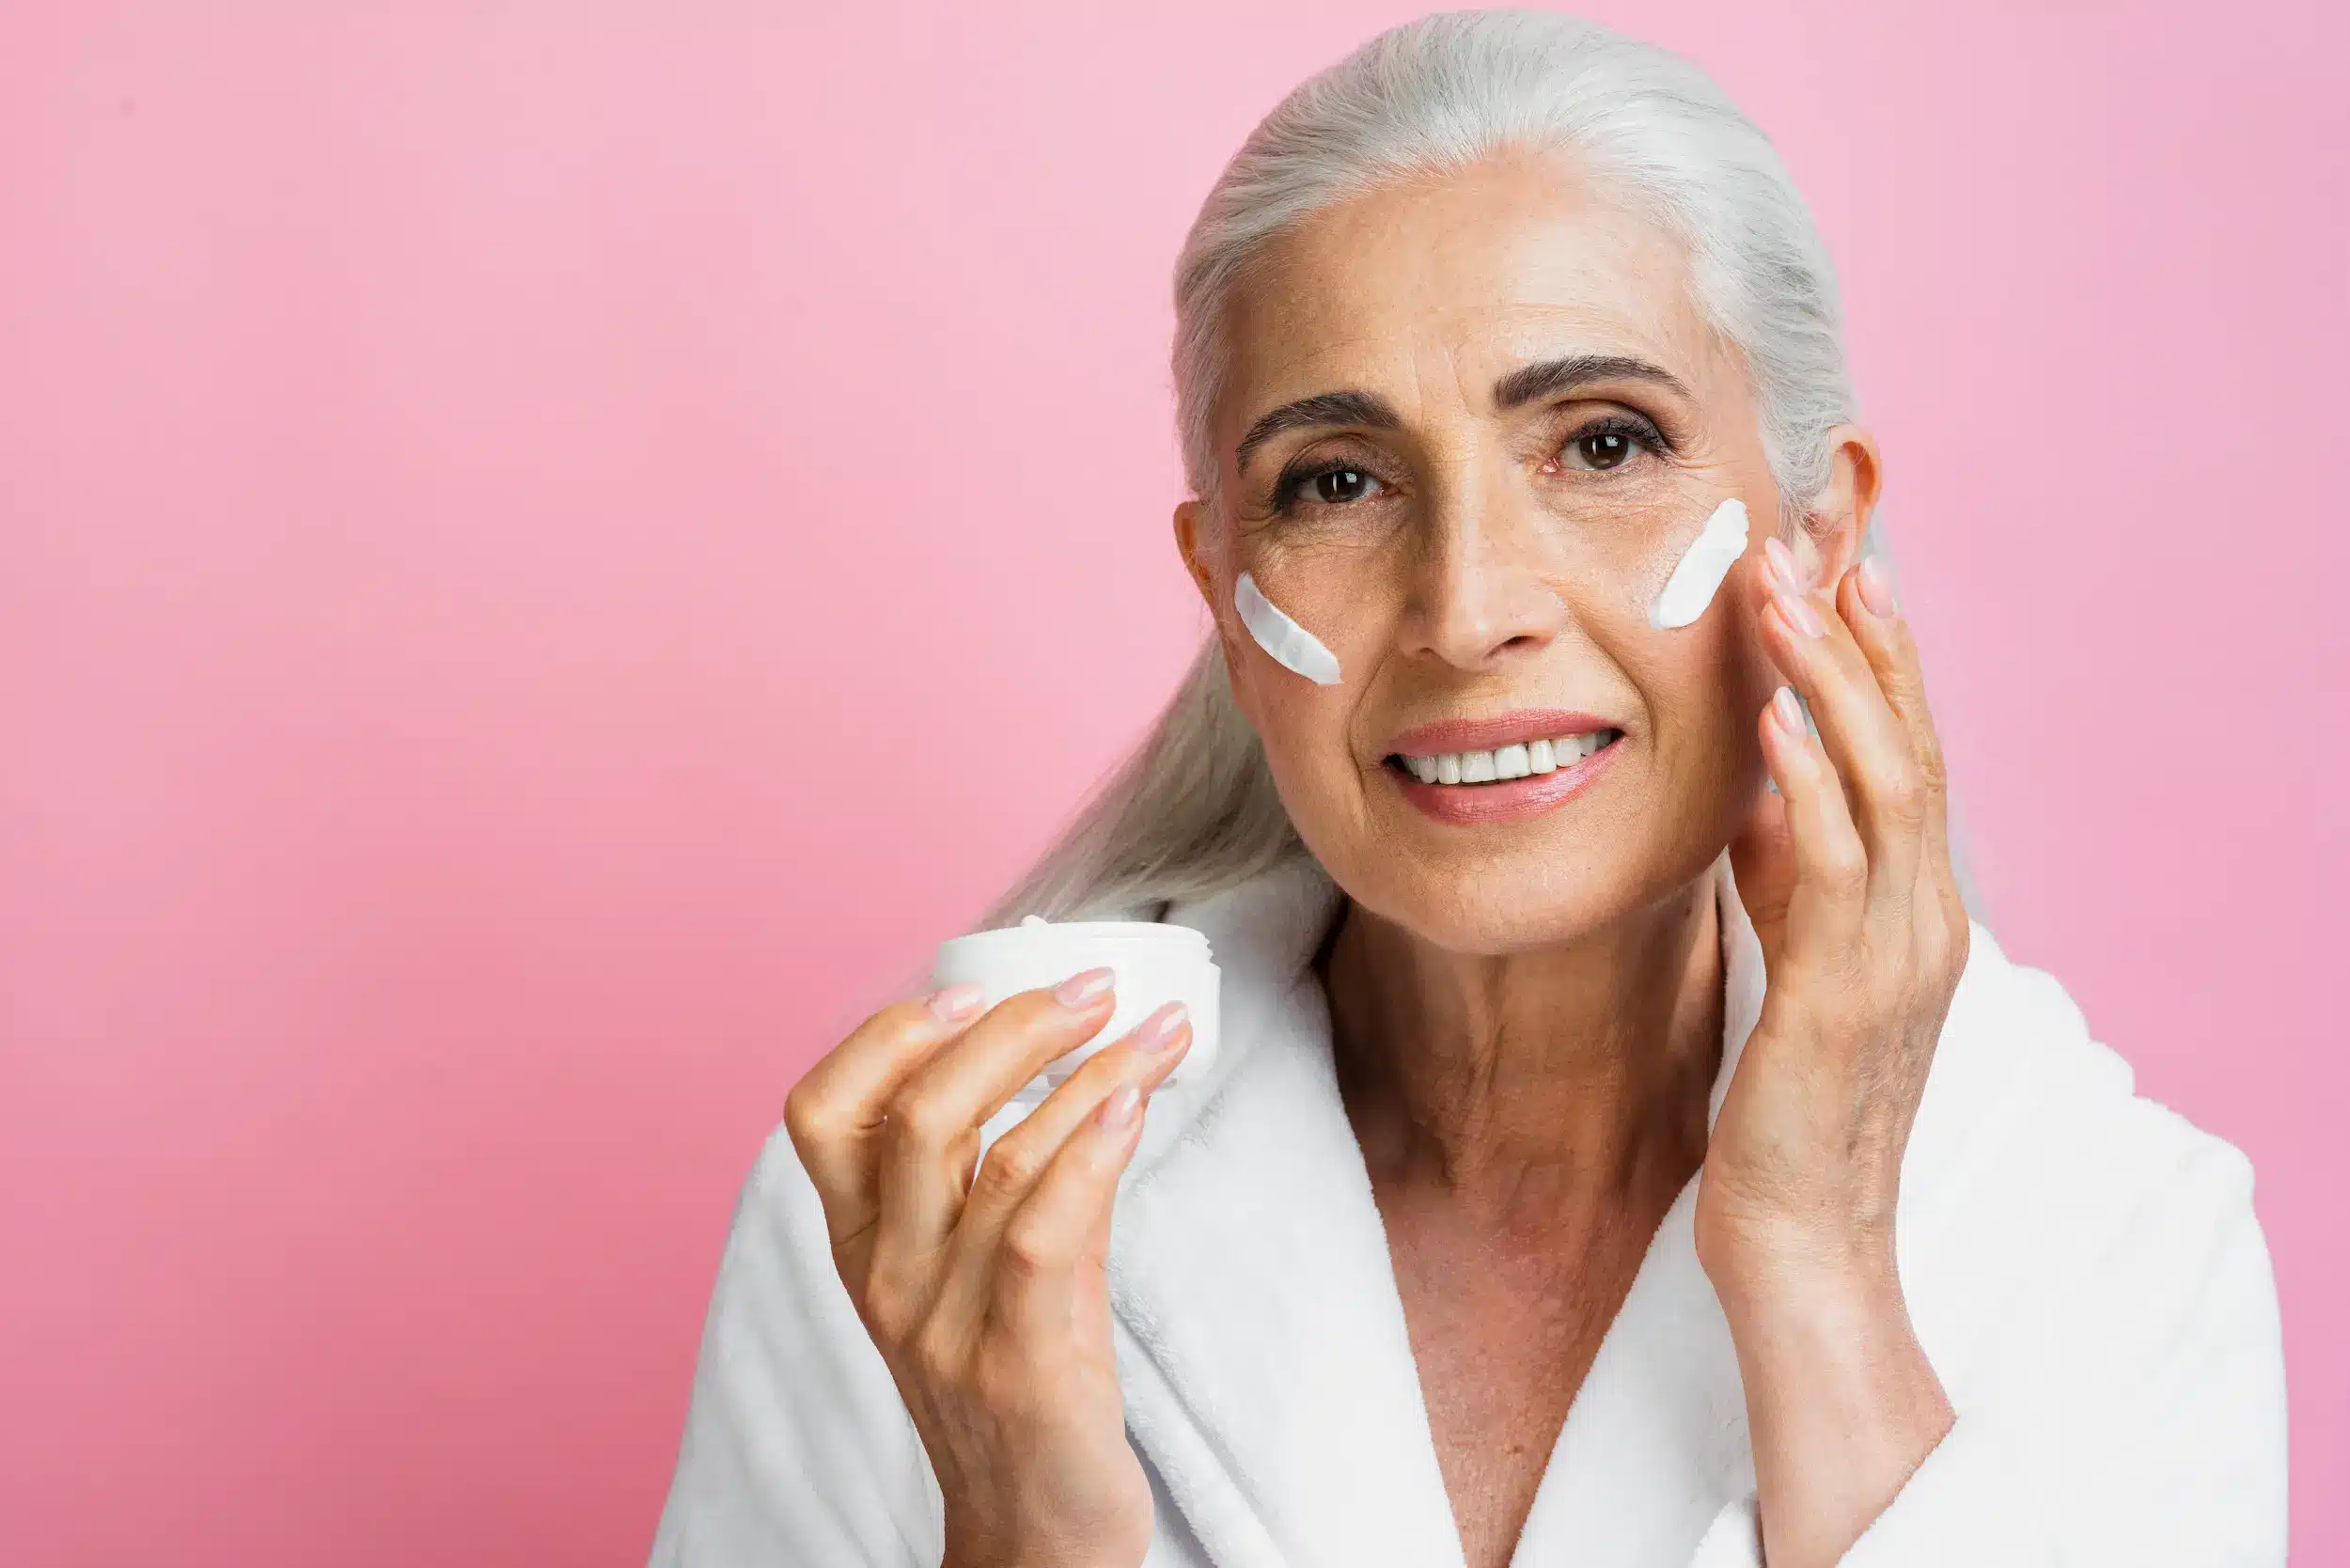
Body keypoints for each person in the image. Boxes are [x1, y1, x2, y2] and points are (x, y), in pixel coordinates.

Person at [649, 12, 2286, 1566]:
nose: (1466, 607)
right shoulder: (922, 1203)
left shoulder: (2107, 1231)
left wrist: (1818, 1251)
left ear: (1819, 533)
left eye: (1602, 446)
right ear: (1224, 586)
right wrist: (1024, 1539)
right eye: (1340, 483)